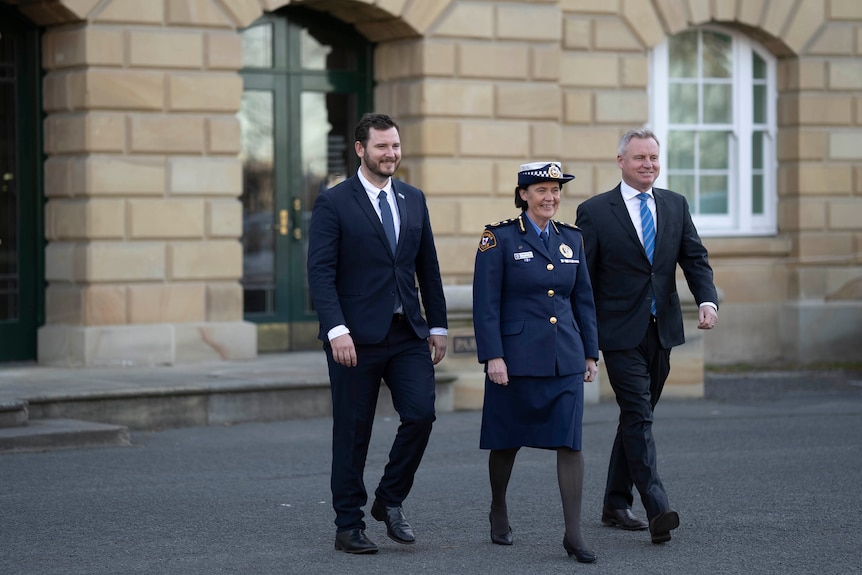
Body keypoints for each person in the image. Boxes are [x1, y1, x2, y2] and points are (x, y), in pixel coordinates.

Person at [307, 113, 448, 555]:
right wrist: (336, 330)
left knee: (422, 414)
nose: (391, 154)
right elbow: (320, 272)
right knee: (353, 432)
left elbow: (428, 267)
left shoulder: (413, 198)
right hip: (354, 338)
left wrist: (438, 324)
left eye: (395, 146)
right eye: (382, 147)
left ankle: (389, 499)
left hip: (407, 332)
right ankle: (348, 525)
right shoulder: (334, 202)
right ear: (360, 149)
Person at [575, 128, 718, 544]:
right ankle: (658, 508)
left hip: (663, 329)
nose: (649, 165)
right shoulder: (596, 211)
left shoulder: (675, 204)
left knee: (637, 417)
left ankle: (615, 504)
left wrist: (706, 300)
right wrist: (584, 338)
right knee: (638, 415)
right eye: (640, 158)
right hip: (618, 332)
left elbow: (695, 257)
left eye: (654, 158)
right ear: (621, 161)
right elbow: (583, 278)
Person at [472, 161, 599, 563]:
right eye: (542, 189)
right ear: (524, 194)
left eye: (556, 190)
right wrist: (493, 355)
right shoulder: (499, 238)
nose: (551, 197)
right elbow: (485, 304)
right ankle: (498, 508)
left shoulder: (572, 240)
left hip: (564, 356)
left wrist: (590, 352)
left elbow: (583, 301)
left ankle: (574, 535)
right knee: (506, 441)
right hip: (514, 360)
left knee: (570, 442)